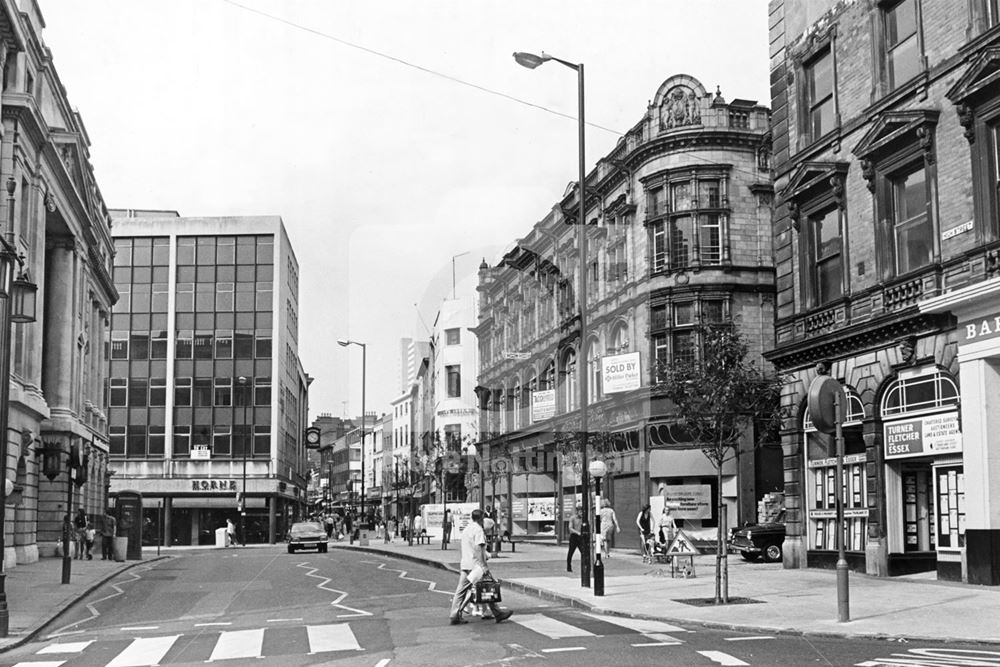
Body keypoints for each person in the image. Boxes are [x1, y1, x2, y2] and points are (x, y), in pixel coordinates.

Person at [448, 508, 512, 625]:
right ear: (481, 518)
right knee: (489, 587)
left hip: (465, 563)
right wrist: (483, 565)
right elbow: (479, 549)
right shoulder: (478, 530)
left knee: (462, 591)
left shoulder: (467, 529)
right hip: (476, 566)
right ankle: (497, 613)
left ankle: (454, 614)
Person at [566, 505, 582, 572]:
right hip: (574, 537)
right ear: (577, 512)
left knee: (584, 552)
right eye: (580, 512)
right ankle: (569, 567)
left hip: (581, 537)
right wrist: (577, 532)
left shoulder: (584, 518)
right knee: (571, 552)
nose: (582, 513)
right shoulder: (573, 518)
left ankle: (584, 566)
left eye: (582, 512)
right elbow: (570, 528)